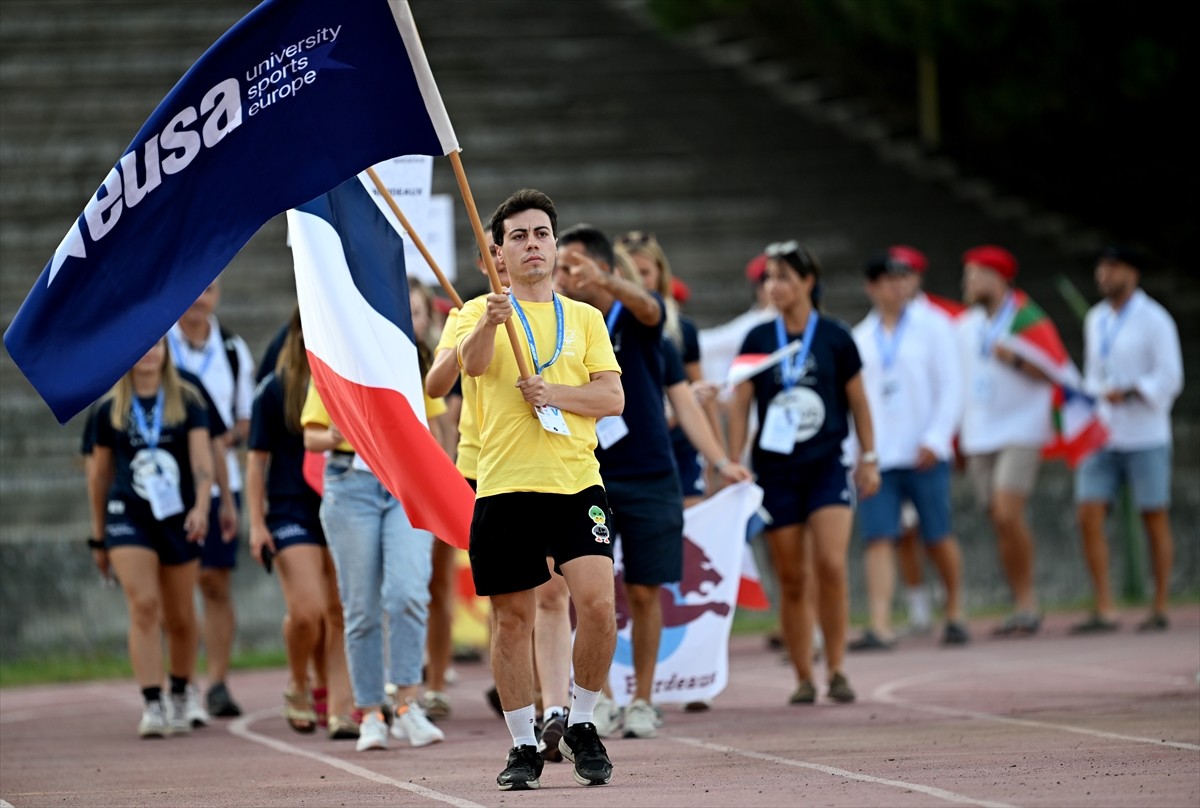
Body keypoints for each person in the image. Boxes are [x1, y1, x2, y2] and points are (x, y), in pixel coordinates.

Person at [456, 189, 623, 790]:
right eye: (520, 236)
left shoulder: (585, 319)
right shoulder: (477, 312)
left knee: (599, 607)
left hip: (576, 482)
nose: (533, 245)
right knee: (511, 622)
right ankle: (523, 743)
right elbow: (469, 370)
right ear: (498, 251)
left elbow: (612, 397)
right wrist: (488, 324)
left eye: (542, 234)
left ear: (555, 244)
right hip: (504, 486)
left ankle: (580, 721)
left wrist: (556, 395)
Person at [727, 240, 880, 705]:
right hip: (776, 473)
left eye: (783, 278)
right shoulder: (757, 340)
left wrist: (869, 458)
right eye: (768, 278)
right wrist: (735, 462)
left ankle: (836, 668)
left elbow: (858, 400)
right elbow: (739, 401)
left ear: (808, 282)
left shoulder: (835, 336)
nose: (773, 287)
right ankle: (802, 676)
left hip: (827, 467)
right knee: (791, 577)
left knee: (831, 566)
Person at [301, 382, 446, 753]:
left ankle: (406, 703)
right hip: (351, 483)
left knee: (408, 593)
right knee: (361, 609)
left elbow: (439, 428)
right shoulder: (335, 361)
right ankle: (370, 713)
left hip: (409, 479)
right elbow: (311, 437)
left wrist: (443, 483)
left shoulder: (406, 357)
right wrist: (333, 433)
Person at [87, 338, 213, 737]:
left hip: (178, 517)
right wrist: (98, 535)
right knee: (144, 604)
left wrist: (202, 509)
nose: (150, 351)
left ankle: (180, 690)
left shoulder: (188, 399)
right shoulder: (108, 409)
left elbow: (201, 461)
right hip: (128, 517)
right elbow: (98, 475)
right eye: (142, 343)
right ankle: (152, 701)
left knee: (180, 615)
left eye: (158, 343)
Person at [245, 309, 357, 740]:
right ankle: (297, 682)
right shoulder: (275, 390)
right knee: (308, 611)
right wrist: (257, 524)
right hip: (292, 509)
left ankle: (342, 708)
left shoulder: (351, 382)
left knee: (342, 612)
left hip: (344, 500)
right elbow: (256, 464)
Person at [849, 253, 968, 650]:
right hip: (880, 455)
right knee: (879, 536)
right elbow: (853, 401)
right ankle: (880, 622)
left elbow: (952, 385)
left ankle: (954, 610)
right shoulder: (860, 337)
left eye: (903, 278)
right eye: (887, 280)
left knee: (936, 533)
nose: (896, 286)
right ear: (872, 287)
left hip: (923, 450)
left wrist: (937, 439)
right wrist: (859, 453)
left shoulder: (935, 327)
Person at [1072, 245, 1183, 633]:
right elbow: (1091, 371)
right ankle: (1105, 605)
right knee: (1088, 512)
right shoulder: (1095, 318)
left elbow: (1170, 377)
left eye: (1113, 267)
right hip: (1103, 431)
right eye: (1101, 267)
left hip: (1145, 432)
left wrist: (1133, 391)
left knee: (1153, 515)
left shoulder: (1155, 320)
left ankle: (1160, 603)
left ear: (1132, 273)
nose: (1104, 274)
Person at [956, 246, 1056, 636]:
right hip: (981, 432)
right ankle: (1019, 603)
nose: (968, 283)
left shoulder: (1027, 319)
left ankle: (1028, 602)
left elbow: (1054, 370)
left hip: (1022, 428)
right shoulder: (965, 326)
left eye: (975, 275)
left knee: (1007, 512)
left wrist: (1013, 358)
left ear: (998, 278)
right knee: (997, 520)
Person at [167, 278, 252, 717]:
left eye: (210, 289)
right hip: (166, 485)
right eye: (193, 289)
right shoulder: (156, 346)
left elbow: (244, 421)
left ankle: (216, 682)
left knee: (215, 582)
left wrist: (213, 437)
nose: (199, 297)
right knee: (175, 585)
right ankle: (178, 680)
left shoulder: (234, 350)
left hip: (221, 481)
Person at [618, 231, 723, 506]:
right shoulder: (598, 324)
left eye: (645, 272)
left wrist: (717, 459)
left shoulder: (681, 330)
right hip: (622, 446)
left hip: (679, 446)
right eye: (630, 272)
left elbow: (698, 394)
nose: (638, 281)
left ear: (661, 274)